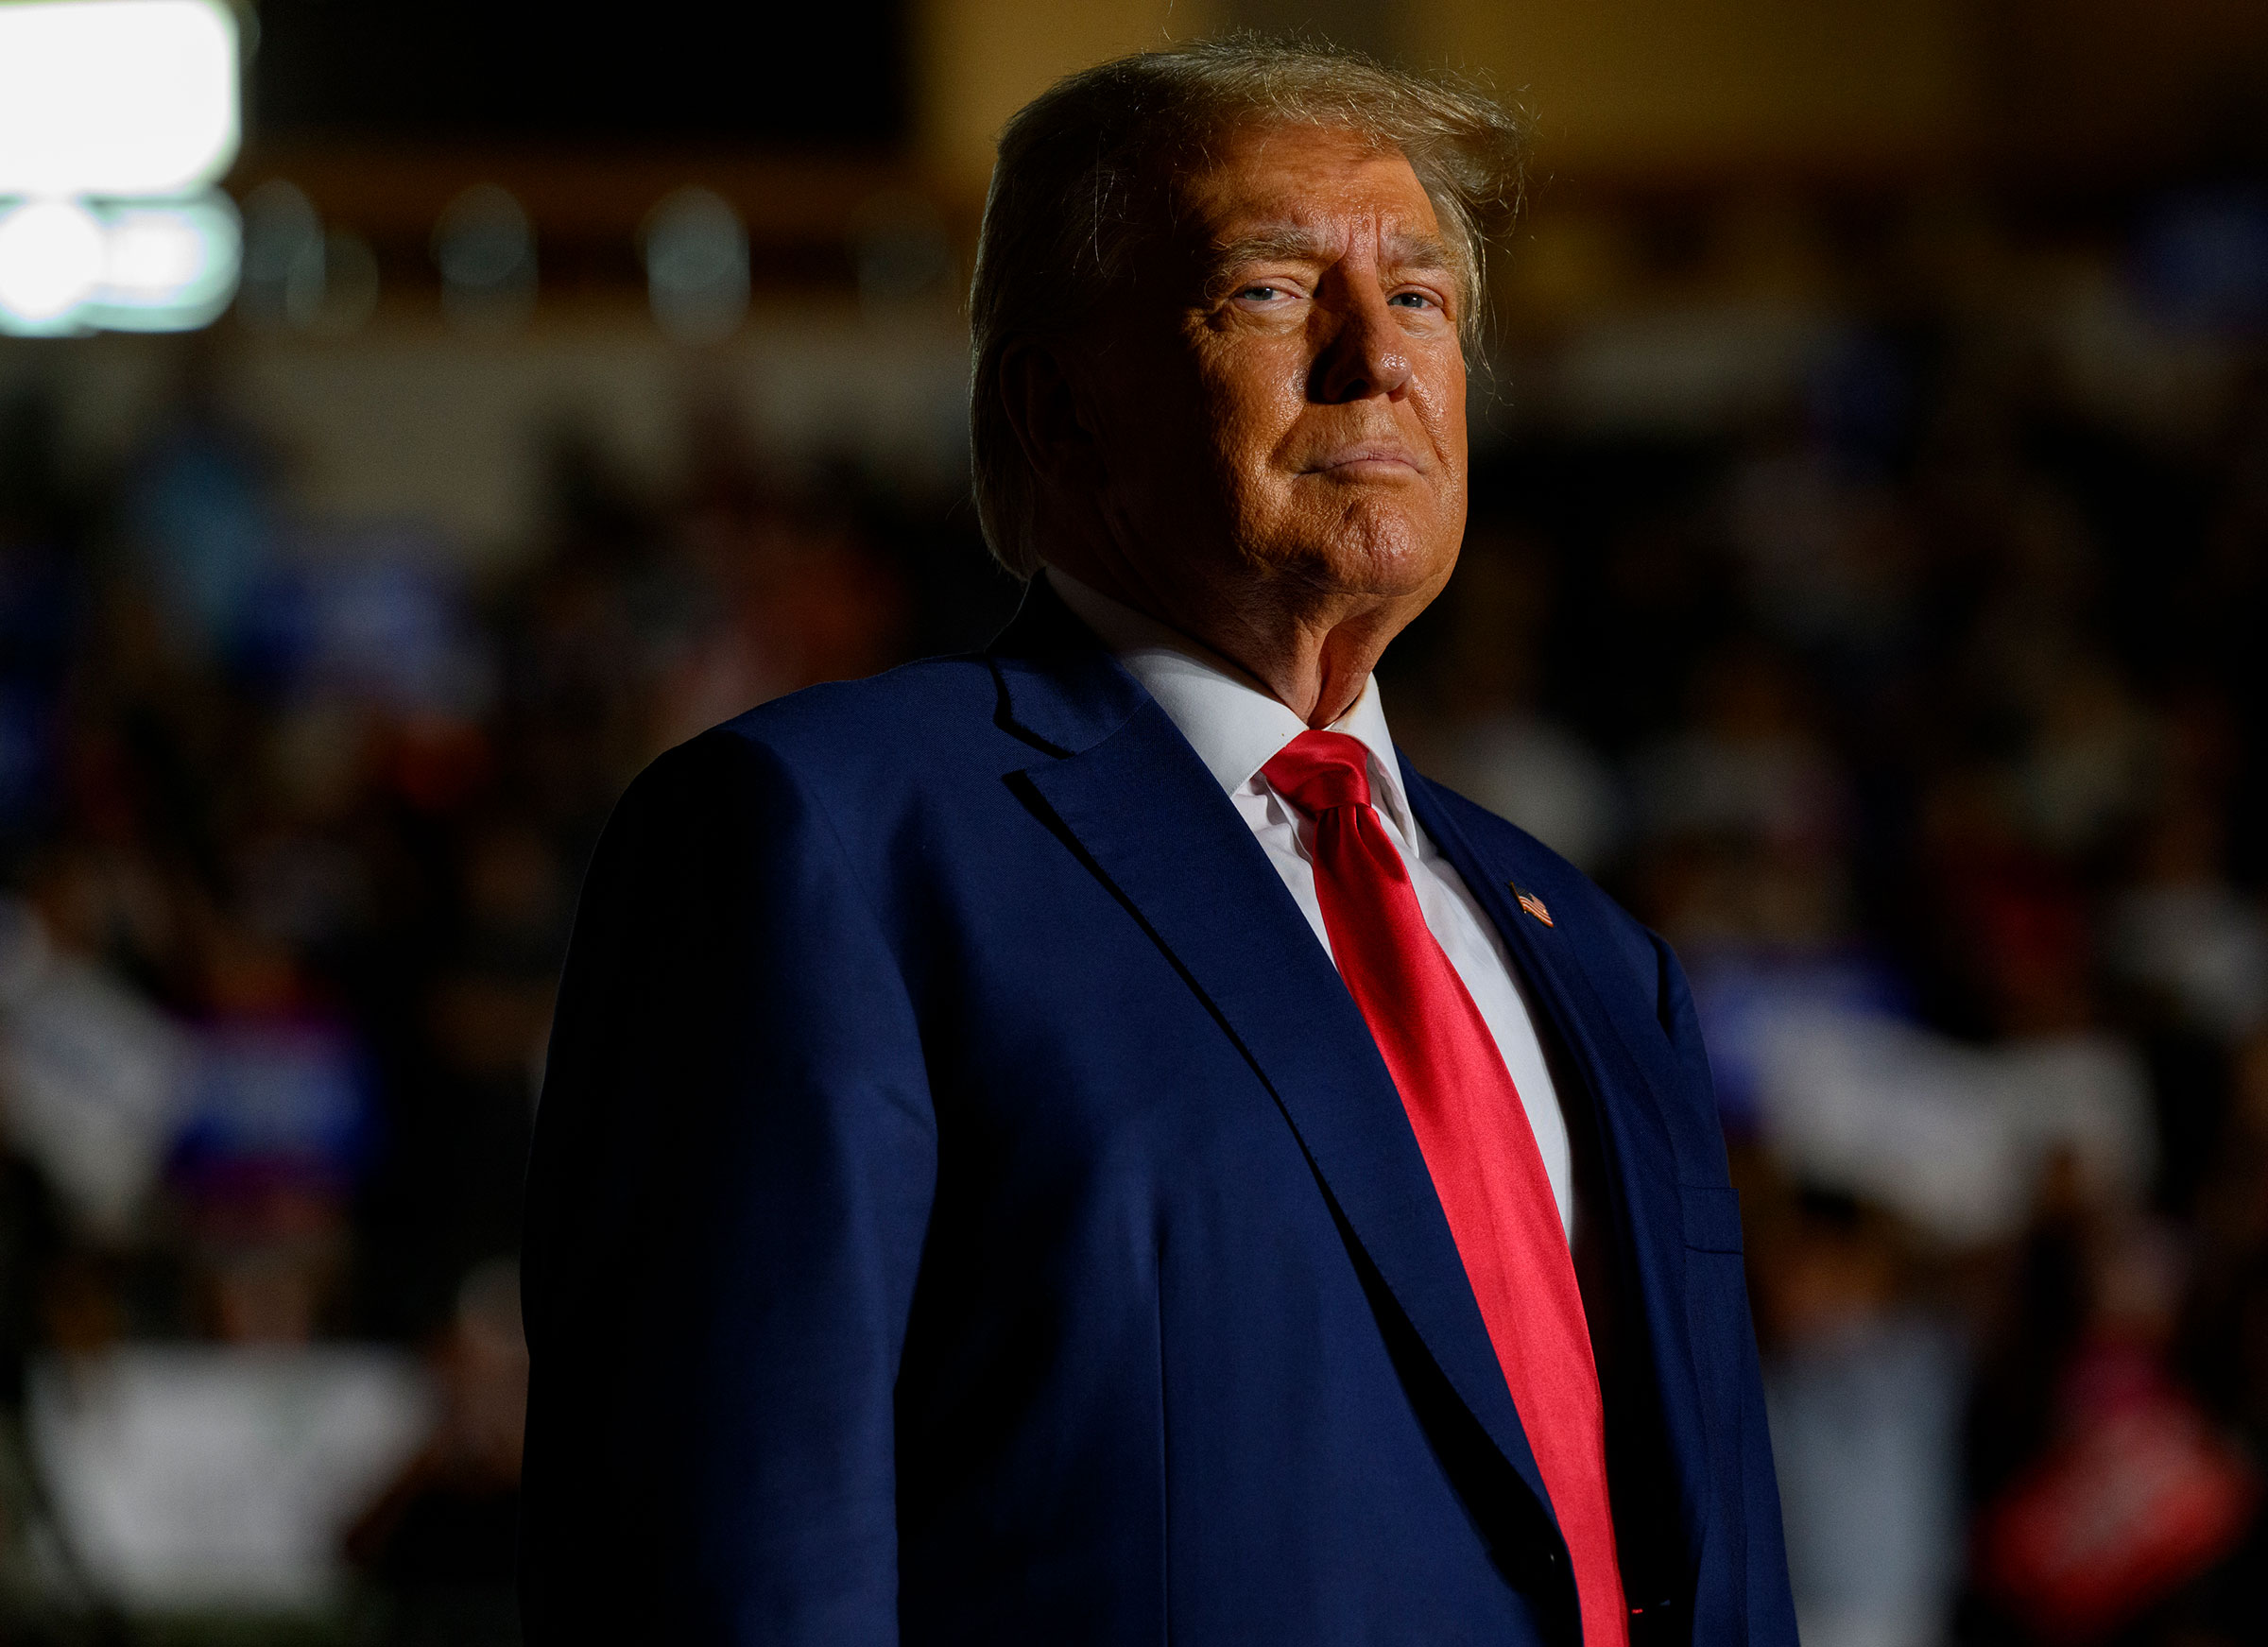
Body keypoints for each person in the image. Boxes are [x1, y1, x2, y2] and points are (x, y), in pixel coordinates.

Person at [520, 38, 1796, 1646]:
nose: (1374, 356)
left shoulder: (1604, 960)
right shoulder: (826, 845)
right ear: (1056, 410)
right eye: (1271, 292)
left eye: (1421, 300)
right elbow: (726, 1569)